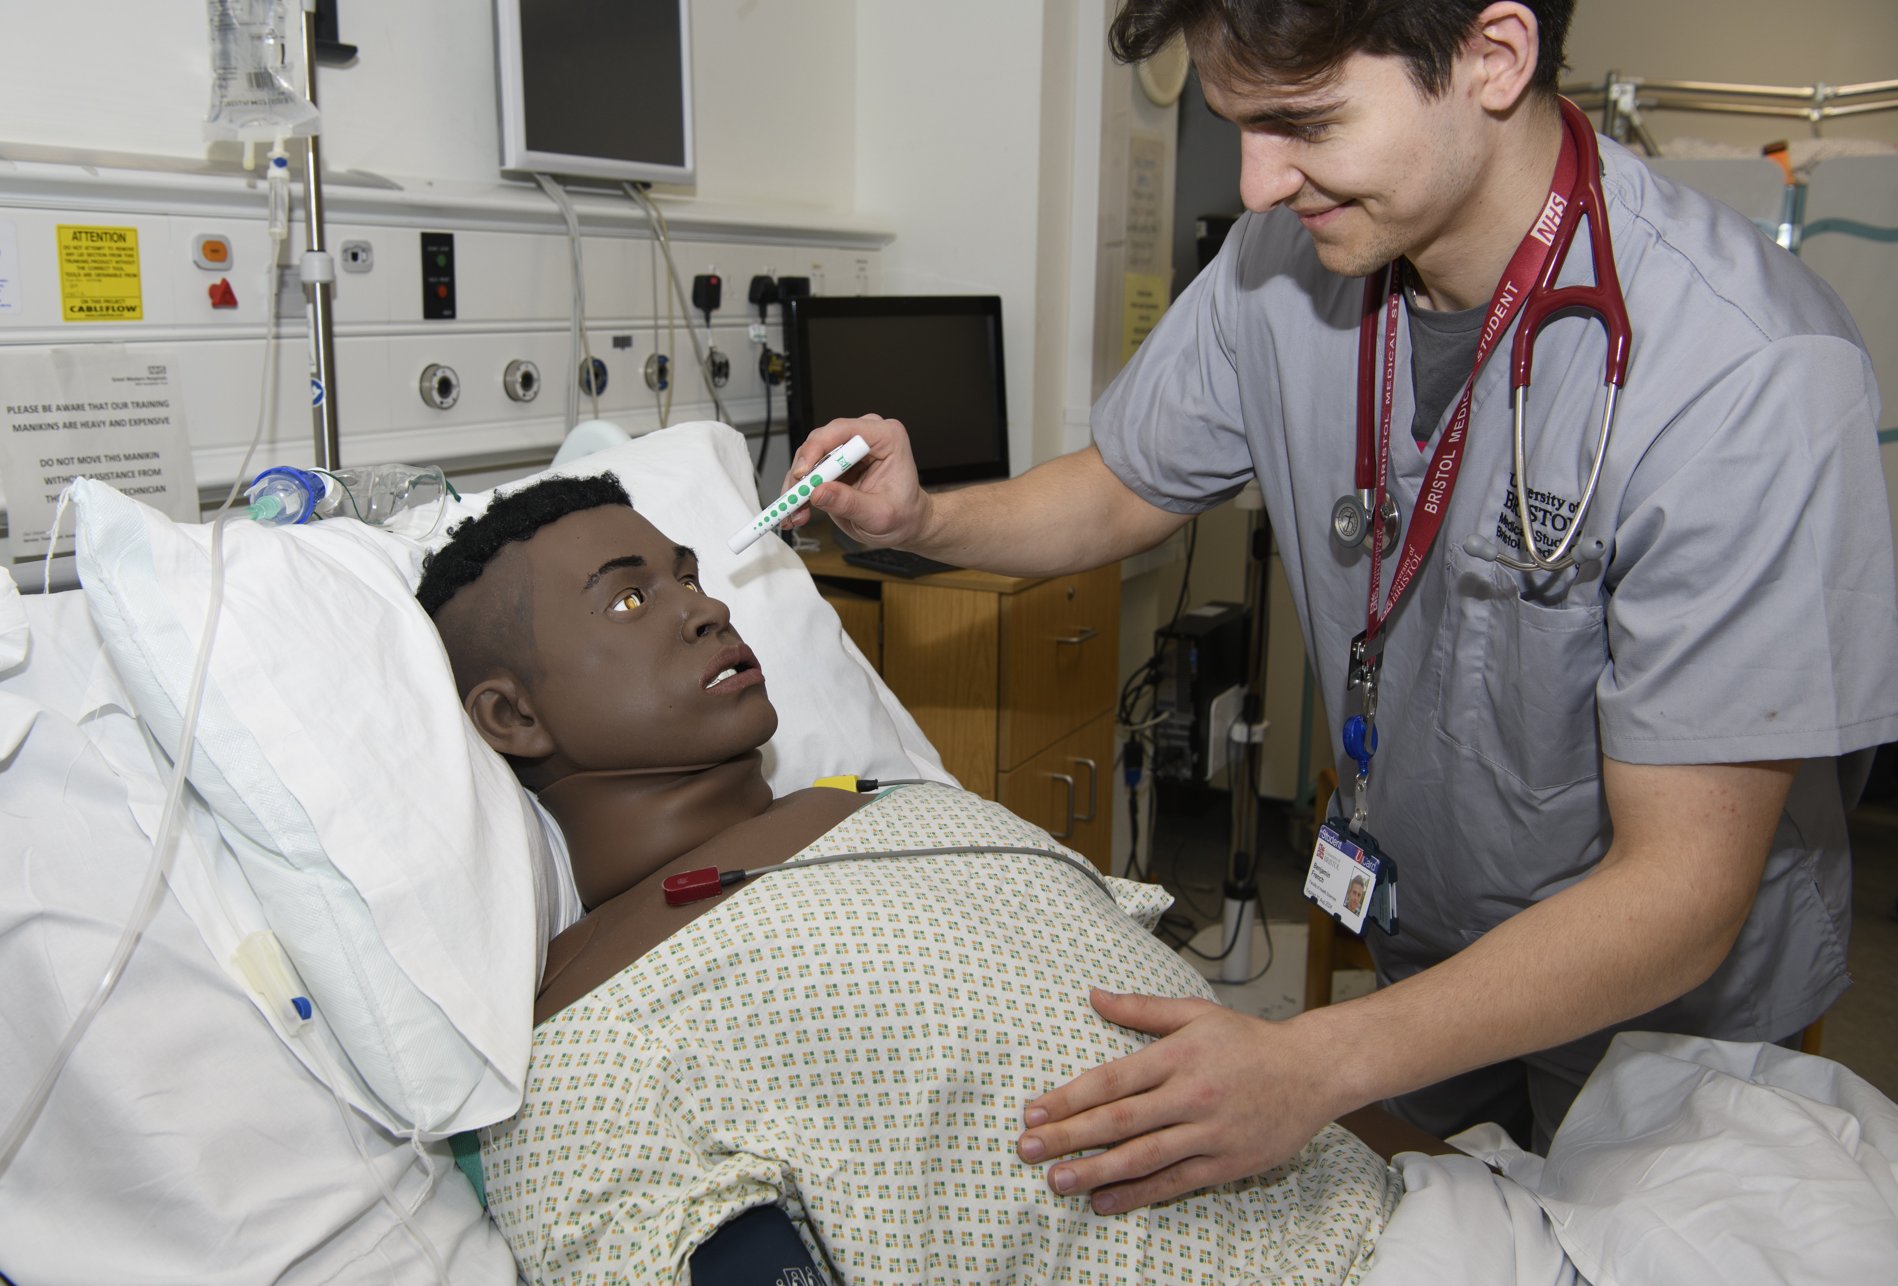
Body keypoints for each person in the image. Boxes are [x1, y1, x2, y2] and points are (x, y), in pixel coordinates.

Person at [776, 0, 1898, 1217]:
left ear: (1492, 57)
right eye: (1237, 123)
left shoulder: (1746, 374)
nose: (1257, 182)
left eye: (1303, 122)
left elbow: (1680, 892)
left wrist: (1310, 1060)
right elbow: (1117, 488)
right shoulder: (1282, 265)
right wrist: (923, 519)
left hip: (1669, 1030)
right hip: (1429, 958)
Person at [414, 474, 1398, 1285]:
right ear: (510, 718)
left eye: (689, 576)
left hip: (1420, 1217)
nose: (706, 606)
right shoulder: (590, 1046)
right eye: (631, 598)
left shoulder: (901, 806)